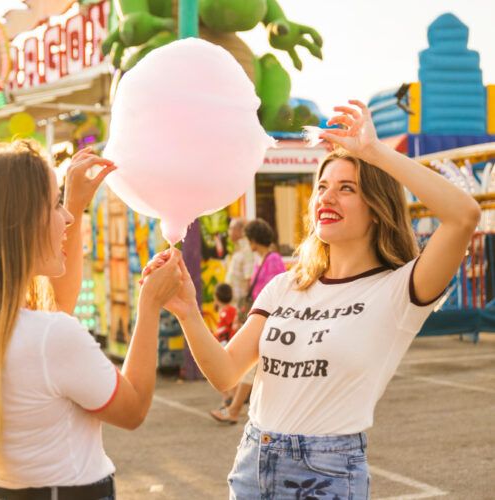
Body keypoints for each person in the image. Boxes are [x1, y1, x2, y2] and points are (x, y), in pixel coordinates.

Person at [144, 100, 480, 499]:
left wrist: (373, 153)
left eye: (346, 189)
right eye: (322, 187)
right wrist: (186, 310)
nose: (327, 198)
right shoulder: (285, 286)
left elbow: (463, 215)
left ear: (377, 208)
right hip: (254, 462)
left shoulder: (398, 290)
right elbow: (225, 372)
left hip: (327, 472)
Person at [0, 141, 183, 500]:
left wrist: (75, 202)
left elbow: (57, 309)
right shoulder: (47, 336)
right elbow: (132, 409)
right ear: (17, 225)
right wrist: (150, 303)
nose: (68, 219)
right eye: (55, 205)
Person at [211, 219, 285, 424]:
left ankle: (233, 409)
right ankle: (237, 409)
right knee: (257, 367)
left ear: (254, 240)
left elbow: (278, 291)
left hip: (270, 320)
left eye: (249, 238)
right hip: (259, 318)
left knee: (252, 366)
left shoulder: (273, 259)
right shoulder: (260, 259)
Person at [211, 282, 238, 409]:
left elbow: (232, 329)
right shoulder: (225, 311)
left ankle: (232, 400)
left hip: (228, 348)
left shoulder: (229, 311)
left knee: (226, 374)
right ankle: (229, 399)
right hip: (224, 347)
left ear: (216, 297)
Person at [224, 217, 253, 309]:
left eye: (231, 228)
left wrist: (244, 305)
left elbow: (250, 279)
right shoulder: (239, 248)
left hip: (240, 306)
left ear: (240, 231)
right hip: (233, 304)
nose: (228, 232)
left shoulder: (247, 249)